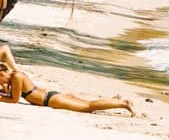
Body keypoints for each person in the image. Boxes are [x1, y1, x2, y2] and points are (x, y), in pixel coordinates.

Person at [0, 44, 134, 115]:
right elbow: (10, 94)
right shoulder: (15, 77)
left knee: (88, 107)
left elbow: (14, 100)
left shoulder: (17, 76)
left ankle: (123, 104)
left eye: (0, 79)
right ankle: (113, 101)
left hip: (51, 100)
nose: (1, 83)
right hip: (50, 97)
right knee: (88, 103)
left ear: (3, 72)